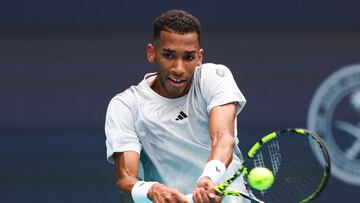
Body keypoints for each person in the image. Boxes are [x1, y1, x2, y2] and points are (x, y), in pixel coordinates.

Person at [105, 9, 248, 203]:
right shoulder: (126, 106)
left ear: (199, 57)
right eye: (169, 55)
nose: (178, 68)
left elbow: (224, 138)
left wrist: (209, 177)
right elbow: (126, 180)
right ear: (151, 53)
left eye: (188, 57)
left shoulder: (214, 77)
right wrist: (151, 190)